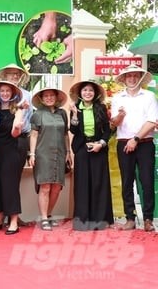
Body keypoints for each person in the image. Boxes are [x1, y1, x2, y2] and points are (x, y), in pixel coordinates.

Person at [110, 64, 158, 231]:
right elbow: (113, 124)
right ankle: (130, 218)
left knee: (147, 181)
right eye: (128, 76)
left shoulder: (149, 96)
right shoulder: (117, 98)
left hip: (144, 143)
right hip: (123, 143)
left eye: (135, 75)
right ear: (123, 79)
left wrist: (136, 139)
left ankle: (148, 219)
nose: (131, 79)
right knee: (127, 181)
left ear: (140, 78)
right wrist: (120, 115)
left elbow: (152, 121)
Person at [68, 80, 113, 231]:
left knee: (99, 183)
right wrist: (74, 115)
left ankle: (100, 220)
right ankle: (82, 220)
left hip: (99, 148)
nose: (88, 93)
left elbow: (108, 130)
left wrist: (101, 143)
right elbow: (73, 131)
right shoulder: (76, 108)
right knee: (82, 184)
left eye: (91, 91)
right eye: (85, 90)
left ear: (95, 94)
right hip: (82, 148)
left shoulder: (101, 107)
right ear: (80, 93)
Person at [28, 87, 71, 231]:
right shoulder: (37, 114)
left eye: (51, 95)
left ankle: (49, 214)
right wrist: (32, 154)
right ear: (41, 98)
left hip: (60, 153)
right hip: (43, 154)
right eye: (46, 96)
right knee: (45, 186)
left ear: (56, 97)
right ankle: (44, 218)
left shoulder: (62, 113)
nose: (49, 98)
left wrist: (68, 152)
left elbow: (65, 134)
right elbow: (33, 135)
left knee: (57, 187)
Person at [0, 80, 24, 235]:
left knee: (10, 186)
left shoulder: (18, 110)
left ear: (13, 93)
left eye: (8, 91)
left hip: (10, 151)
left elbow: (15, 133)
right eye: (2, 91)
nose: (5, 93)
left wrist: (17, 127)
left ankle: (13, 221)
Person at [0, 63, 31, 227]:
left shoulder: (27, 96)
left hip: (19, 139)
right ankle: (0, 217)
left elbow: (25, 122)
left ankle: (14, 217)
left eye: (17, 74)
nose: (14, 76)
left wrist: (18, 128)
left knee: (12, 180)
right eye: (11, 73)